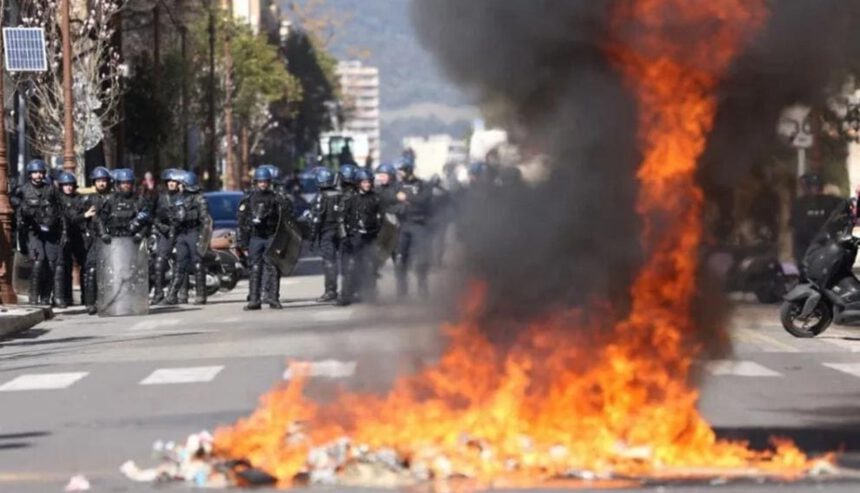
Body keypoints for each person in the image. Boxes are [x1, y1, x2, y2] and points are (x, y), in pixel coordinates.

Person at [236, 167, 286, 310]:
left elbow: (286, 218)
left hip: (271, 236)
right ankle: (254, 300)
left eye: (265, 181)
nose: (263, 184)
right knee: (254, 268)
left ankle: (273, 298)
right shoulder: (249, 198)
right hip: (256, 237)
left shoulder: (276, 198)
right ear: (256, 182)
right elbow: (241, 220)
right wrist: (242, 242)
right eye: (260, 181)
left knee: (273, 267)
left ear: (269, 182)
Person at [15, 159, 64, 306]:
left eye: (41, 173)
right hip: (32, 231)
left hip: (49, 231)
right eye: (35, 173)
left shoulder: (51, 189)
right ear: (30, 174)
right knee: (38, 262)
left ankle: (45, 296)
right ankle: (33, 296)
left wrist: (62, 229)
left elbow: (61, 209)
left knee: (50, 263)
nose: (38, 176)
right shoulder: (23, 190)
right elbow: (15, 204)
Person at [166, 171, 210, 305]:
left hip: (193, 232)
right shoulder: (178, 198)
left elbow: (205, 220)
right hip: (181, 233)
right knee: (179, 264)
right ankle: (174, 295)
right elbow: (172, 218)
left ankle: (201, 295)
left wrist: (203, 239)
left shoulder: (199, 199)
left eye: (181, 183)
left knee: (197, 263)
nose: (178, 186)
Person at [340, 168, 382, 305]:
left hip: (371, 236)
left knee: (370, 267)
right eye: (364, 182)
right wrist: (345, 237)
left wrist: (379, 232)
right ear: (358, 183)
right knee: (351, 266)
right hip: (354, 237)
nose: (367, 185)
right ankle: (346, 295)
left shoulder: (375, 198)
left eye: (369, 182)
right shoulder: (350, 198)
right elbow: (341, 219)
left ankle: (370, 294)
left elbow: (382, 217)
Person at [393, 159, 433, 298]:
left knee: (421, 259)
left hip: (418, 225)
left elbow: (424, 200)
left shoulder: (421, 185)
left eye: (401, 171)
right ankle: (401, 291)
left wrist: (407, 197)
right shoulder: (397, 186)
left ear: (408, 170)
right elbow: (391, 202)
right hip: (403, 226)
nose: (399, 174)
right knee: (400, 259)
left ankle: (423, 289)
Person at [257, 164, 294, 305]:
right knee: (259, 264)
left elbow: (289, 212)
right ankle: (258, 292)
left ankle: (270, 292)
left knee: (272, 264)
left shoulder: (281, 196)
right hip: (260, 233)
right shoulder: (257, 193)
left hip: (275, 233)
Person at [790, 173, 844, 270]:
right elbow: (796, 228)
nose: (814, 189)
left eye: (816, 186)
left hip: (823, 248)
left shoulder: (832, 201)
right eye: (812, 186)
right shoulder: (799, 204)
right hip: (808, 250)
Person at [309, 167, 344, 302]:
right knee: (347, 260)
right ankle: (350, 290)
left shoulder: (320, 198)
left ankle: (331, 291)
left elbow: (316, 220)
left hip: (327, 232)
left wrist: (312, 238)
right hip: (342, 231)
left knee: (329, 262)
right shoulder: (342, 195)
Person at [81, 167, 113, 315]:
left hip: (113, 239)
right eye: (99, 181)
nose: (102, 183)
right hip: (95, 239)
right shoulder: (90, 199)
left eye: (104, 181)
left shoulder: (113, 197)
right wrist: (102, 232)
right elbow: (94, 219)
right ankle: (90, 302)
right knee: (92, 270)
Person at [55, 171, 88, 307]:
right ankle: (65, 297)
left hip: (79, 235)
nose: (68, 187)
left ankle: (87, 297)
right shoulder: (58, 200)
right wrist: (83, 216)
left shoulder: (79, 199)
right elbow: (68, 217)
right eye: (65, 185)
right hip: (64, 236)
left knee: (84, 266)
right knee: (64, 267)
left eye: (70, 184)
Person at [150, 169, 182, 305]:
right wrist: (160, 226)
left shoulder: (184, 197)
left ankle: (178, 293)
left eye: (174, 181)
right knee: (159, 262)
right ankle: (158, 293)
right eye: (169, 181)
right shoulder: (160, 197)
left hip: (182, 231)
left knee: (182, 262)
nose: (171, 184)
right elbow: (152, 215)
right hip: (165, 232)